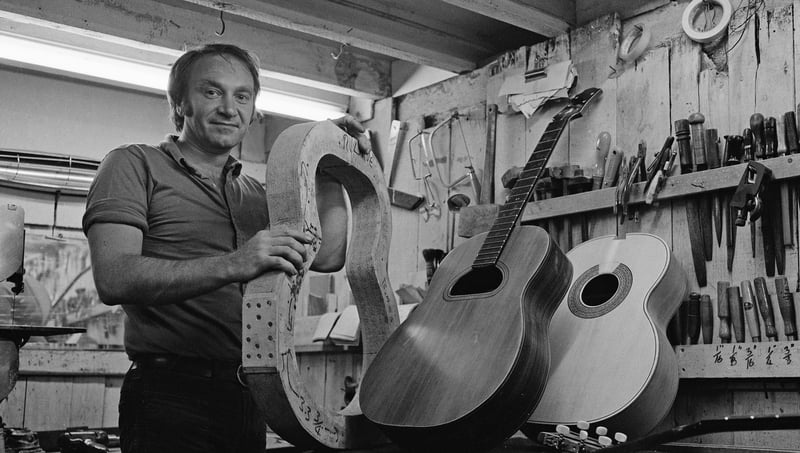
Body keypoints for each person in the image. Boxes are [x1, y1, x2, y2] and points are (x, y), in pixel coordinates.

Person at [82, 43, 369, 453]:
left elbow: (327, 255)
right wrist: (237, 263)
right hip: (169, 394)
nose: (228, 108)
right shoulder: (134, 165)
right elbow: (113, 277)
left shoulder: (258, 195)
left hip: (251, 393)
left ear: (253, 112)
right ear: (179, 104)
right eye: (211, 92)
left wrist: (326, 168)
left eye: (242, 96)